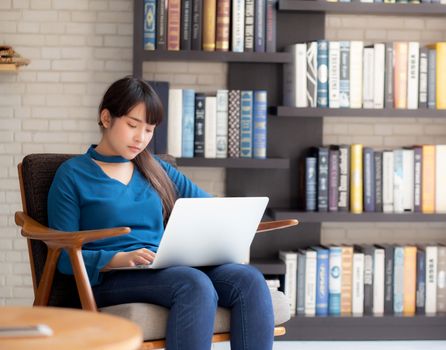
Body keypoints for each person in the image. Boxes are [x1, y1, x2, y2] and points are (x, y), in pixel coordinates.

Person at [47, 76, 274, 350]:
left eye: (149, 130)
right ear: (106, 118)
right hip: (110, 278)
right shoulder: (72, 176)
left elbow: (210, 207)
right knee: (194, 284)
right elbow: (62, 257)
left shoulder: (156, 169)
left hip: (164, 266)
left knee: (248, 280)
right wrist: (118, 258)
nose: (140, 138)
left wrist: (240, 220)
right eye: (132, 125)